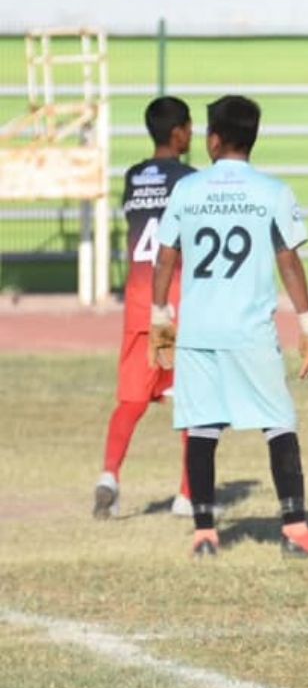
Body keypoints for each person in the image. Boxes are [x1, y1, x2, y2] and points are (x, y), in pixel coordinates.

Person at [150, 95, 308, 559]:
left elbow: (166, 257)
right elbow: (289, 261)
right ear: (252, 139)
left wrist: (161, 323)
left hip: (199, 332)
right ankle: (295, 529)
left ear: (214, 140)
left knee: (201, 428)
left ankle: (204, 535)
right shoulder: (273, 191)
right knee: (279, 424)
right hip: (250, 332)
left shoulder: (187, 190)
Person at [94, 97, 196, 520]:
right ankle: (187, 495)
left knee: (131, 400)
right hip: (177, 306)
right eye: (189, 128)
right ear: (178, 133)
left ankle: (109, 476)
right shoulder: (190, 180)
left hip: (140, 306)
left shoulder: (134, 177)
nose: (192, 134)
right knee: (192, 401)